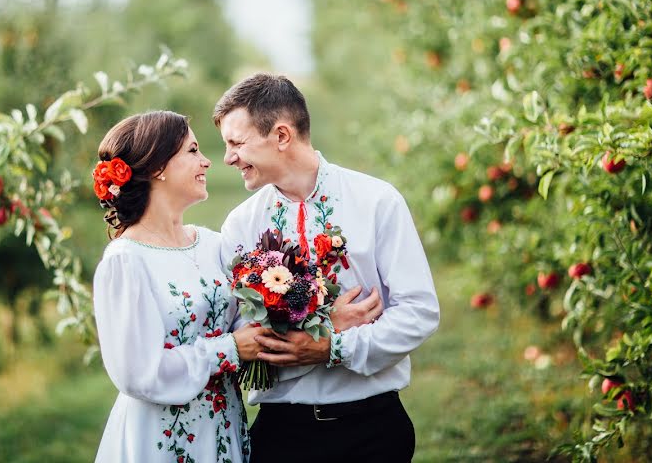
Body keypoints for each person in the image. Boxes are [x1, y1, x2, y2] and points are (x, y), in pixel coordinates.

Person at [215, 74, 440, 463]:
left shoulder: (377, 202)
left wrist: (334, 348)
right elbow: (237, 337)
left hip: (374, 430)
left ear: (282, 136)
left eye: (237, 143)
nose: (228, 157)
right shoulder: (241, 225)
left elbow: (419, 313)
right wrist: (327, 326)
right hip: (282, 435)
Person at [92, 111, 267, 463]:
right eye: (192, 151)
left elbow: (248, 318)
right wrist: (230, 349)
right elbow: (139, 373)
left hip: (222, 426)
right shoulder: (125, 261)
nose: (206, 162)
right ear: (158, 167)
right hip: (162, 439)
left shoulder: (212, 244)